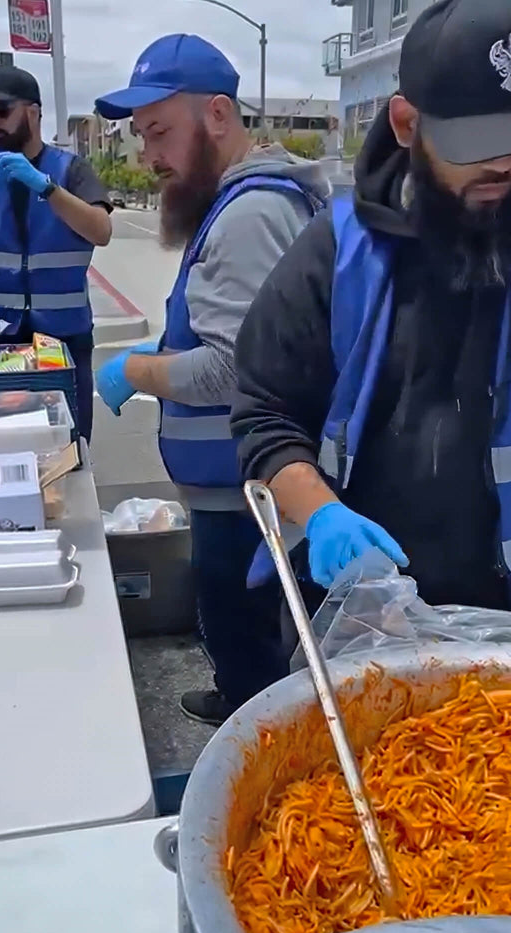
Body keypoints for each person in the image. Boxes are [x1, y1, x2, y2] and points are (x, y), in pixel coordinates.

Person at [233, 0, 511, 613]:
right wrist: (324, 514)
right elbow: (265, 416)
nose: (504, 163)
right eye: (478, 142)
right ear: (408, 125)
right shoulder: (336, 253)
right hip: (361, 608)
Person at [95, 34, 329, 725]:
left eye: (160, 132)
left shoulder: (252, 213)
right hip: (234, 483)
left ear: (219, 116)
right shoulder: (241, 203)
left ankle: (250, 744)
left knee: (247, 635)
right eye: (143, 137)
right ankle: (238, 703)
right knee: (238, 627)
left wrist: (133, 369)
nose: (150, 157)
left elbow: (236, 367)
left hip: (245, 490)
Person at [0, 64, 112, 441]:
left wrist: (48, 189)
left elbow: (101, 230)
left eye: (2, 110)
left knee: (69, 448)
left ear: (33, 112)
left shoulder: (71, 171)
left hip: (63, 342)